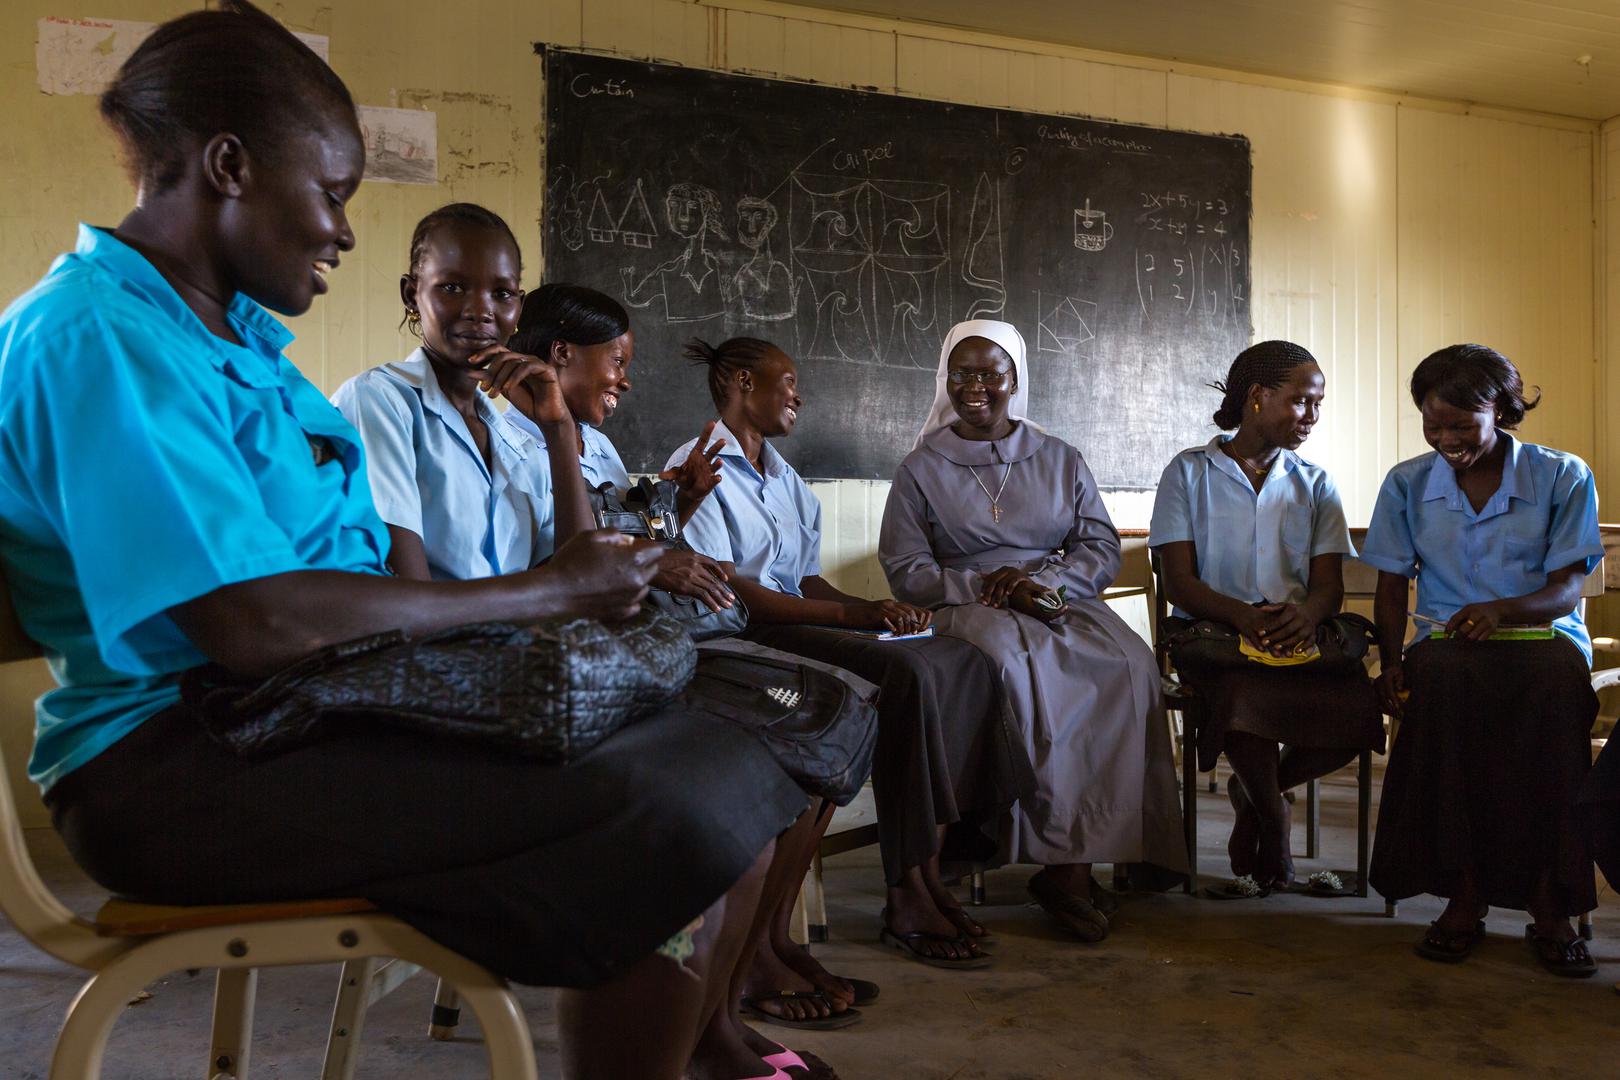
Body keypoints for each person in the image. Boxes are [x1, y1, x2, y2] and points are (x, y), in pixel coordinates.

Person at [0, 7, 809, 1078]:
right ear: (229, 166)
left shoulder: (230, 334)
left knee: (724, 745)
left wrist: (546, 596)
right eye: (331, 194)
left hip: (299, 712)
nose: (341, 229)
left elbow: (348, 553)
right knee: (667, 809)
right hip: (182, 766)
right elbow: (254, 620)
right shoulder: (98, 335)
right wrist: (538, 597)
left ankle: (688, 1033)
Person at [667, 336, 1032, 973]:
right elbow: (735, 592)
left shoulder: (784, 478)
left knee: (959, 658)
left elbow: (807, 581)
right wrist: (855, 616)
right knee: (907, 672)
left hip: (795, 619)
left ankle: (934, 868)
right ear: (745, 385)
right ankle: (904, 890)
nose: (798, 396)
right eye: (786, 383)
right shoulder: (700, 465)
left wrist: (877, 612)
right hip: (746, 632)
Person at [879, 319, 1187, 942]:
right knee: (1020, 676)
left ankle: (1079, 862)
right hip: (971, 607)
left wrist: (1045, 583)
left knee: (1128, 666)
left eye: (991, 373)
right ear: (947, 380)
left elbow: (1098, 544)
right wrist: (988, 586)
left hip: (1055, 598)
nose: (976, 386)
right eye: (962, 373)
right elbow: (908, 571)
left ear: (1015, 380)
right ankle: (1052, 859)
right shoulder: (919, 468)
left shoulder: (1060, 456)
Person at [1362, 343, 1601, 977]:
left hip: (1543, 643)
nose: (1446, 440)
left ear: (1503, 410)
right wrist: (1391, 663)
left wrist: (1502, 610)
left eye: (1462, 427)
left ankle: (1549, 905)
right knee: (1439, 685)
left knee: (1554, 696)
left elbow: (1567, 589)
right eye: (1432, 425)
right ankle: (1463, 897)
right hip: (1445, 646)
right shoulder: (1407, 483)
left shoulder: (1563, 475)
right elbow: (1391, 585)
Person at [1149, 340, 1383, 896]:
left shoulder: (1316, 482)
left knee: (1359, 707)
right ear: (1258, 397)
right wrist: (1243, 618)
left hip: (1294, 631)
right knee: (1240, 695)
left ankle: (1255, 795)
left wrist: (1305, 616)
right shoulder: (1188, 473)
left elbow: (1328, 587)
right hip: (1213, 632)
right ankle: (1274, 822)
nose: (1312, 417)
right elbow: (1179, 581)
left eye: (1318, 404)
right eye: (1301, 401)